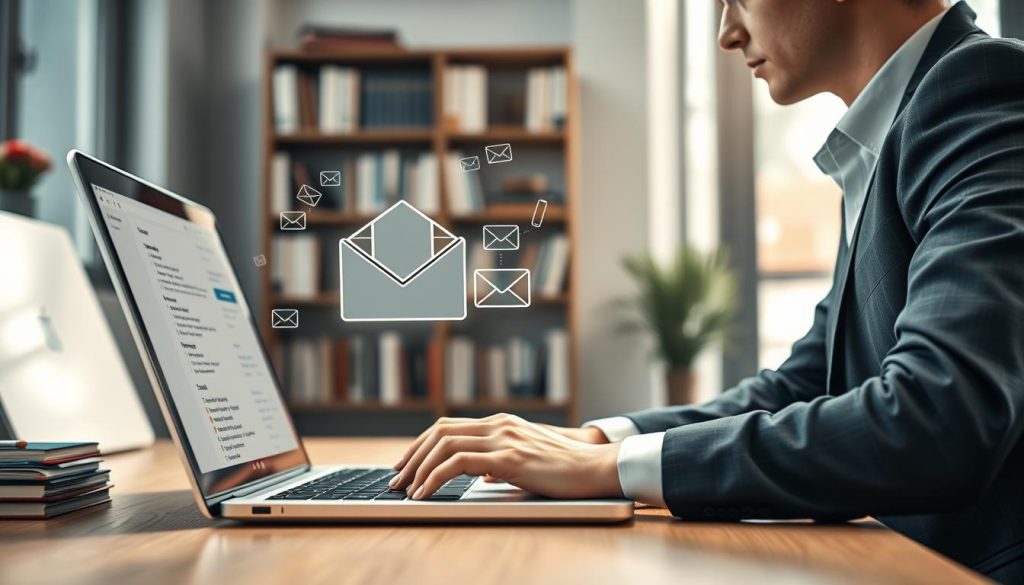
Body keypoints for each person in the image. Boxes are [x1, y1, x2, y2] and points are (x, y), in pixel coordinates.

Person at [390, 1, 1024, 580]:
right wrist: (599, 441)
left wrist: (612, 471)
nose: (727, 32)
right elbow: (806, 382)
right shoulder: (887, 138)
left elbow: (940, 416)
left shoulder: (976, 92)